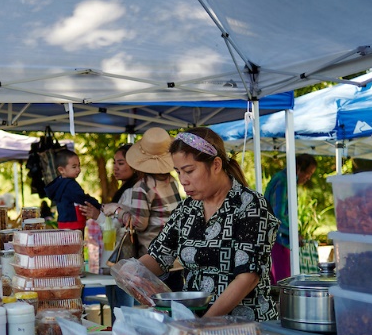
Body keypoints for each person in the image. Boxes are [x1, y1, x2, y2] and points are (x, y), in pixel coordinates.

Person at [140, 127, 279, 320]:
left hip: (244, 327)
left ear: (215, 165)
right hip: (193, 323)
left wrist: (205, 324)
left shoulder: (250, 205)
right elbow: (158, 256)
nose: (183, 180)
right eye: (178, 172)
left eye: (189, 171)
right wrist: (129, 272)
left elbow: (247, 277)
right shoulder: (187, 209)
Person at [79, 131, 183, 305]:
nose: (116, 167)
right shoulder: (171, 181)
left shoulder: (142, 186)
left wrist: (117, 210)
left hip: (155, 260)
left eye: (121, 163)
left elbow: (139, 223)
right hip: (176, 260)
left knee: (155, 312)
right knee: (175, 312)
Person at [263, 154, 317, 285]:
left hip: (275, 239)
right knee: (284, 284)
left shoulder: (283, 179)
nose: (308, 177)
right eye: (308, 173)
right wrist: (294, 235)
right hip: (277, 240)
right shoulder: (283, 181)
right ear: (298, 168)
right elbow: (277, 217)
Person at [44, 149, 101, 231]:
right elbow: (83, 199)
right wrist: (98, 205)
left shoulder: (58, 184)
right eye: (74, 167)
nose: (78, 169)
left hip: (62, 222)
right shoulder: (71, 185)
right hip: (75, 222)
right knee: (77, 239)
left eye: (79, 166)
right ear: (61, 170)